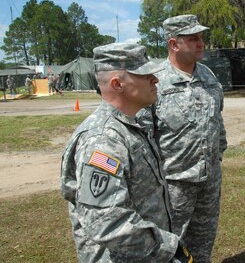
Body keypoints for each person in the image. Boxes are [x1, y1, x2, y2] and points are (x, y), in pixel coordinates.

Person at [60, 42, 193, 263]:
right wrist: (170, 247)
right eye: (144, 75)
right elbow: (105, 221)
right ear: (117, 84)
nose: (156, 79)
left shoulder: (129, 126)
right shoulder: (104, 139)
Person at [138, 14, 227, 262]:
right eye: (193, 38)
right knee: (168, 248)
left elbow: (217, 123)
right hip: (172, 185)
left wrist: (216, 155)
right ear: (174, 44)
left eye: (201, 37)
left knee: (202, 246)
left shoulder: (209, 77)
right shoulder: (154, 80)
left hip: (209, 181)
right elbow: (143, 137)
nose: (201, 43)